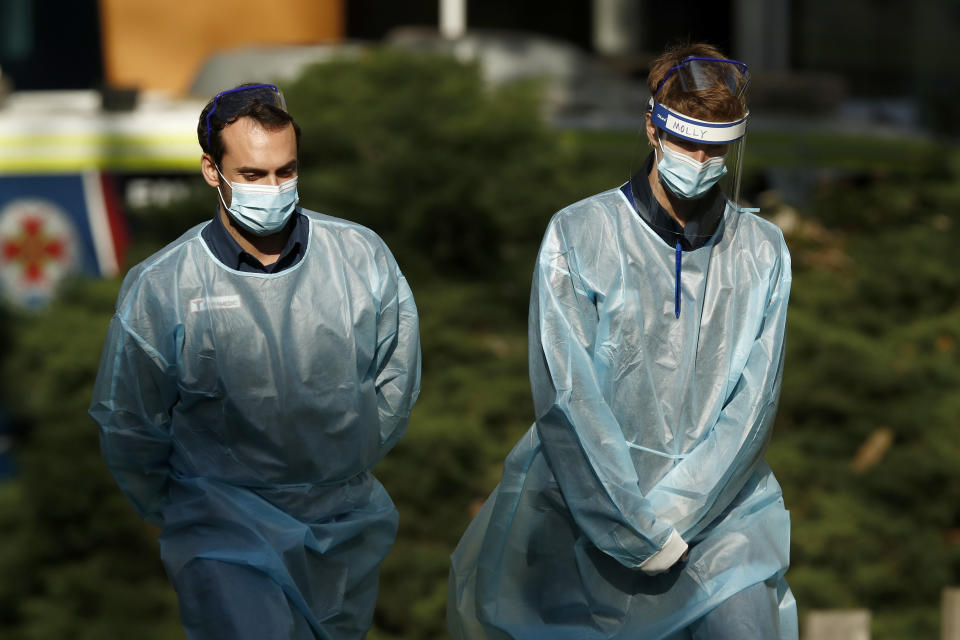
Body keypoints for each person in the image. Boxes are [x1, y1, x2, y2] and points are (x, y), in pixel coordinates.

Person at [447, 43, 798, 639]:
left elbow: (753, 404)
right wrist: (628, 527)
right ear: (652, 128)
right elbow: (568, 396)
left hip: (723, 523)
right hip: (581, 523)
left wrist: (678, 517)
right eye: (689, 142)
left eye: (718, 149)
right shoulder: (579, 234)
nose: (702, 160)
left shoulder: (762, 250)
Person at [90, 83, 421, 639]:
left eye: (285, 172)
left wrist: (335, 467)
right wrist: (178, 507)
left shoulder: (359, 257)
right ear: (211, 172)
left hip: (340, 526)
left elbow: (396, 377)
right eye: (252, 175)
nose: (273, 188)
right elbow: (130, 422)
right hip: (219, 525)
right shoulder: (164, 286)